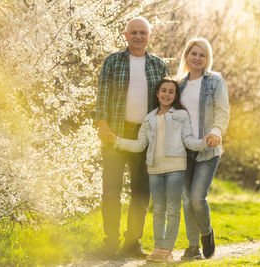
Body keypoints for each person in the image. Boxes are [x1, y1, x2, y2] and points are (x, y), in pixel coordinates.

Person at [93, 17, 169, 259]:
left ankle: (132, 242)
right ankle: (110, 242)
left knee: (141, 191)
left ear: (149, 36)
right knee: (111, 190)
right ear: (125, 35)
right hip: (114, 133)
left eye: (143, 33)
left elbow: (166, 101)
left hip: (144, 136)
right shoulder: (113, 62)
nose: (138, 36)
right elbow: (102, 96)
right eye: (134, 32)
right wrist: (102, 125)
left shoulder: (158, 66)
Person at [113, 78, 208, 262]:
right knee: (158, 209)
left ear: (175, 95)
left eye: (171, 91)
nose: (166, 94)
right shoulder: (148, 118)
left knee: (172, 209)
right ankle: (158, 248)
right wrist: (117, 141)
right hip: (154, 169)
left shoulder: (181, 115)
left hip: (176, 169)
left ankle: (167, 250)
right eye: (163, 90)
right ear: (157, 93)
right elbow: (140, 145)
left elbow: (188, 141)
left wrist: (205, 142)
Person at [176, 37, 230, 260]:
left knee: (197, 197)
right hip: (184, 149)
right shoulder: (179, 85)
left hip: (208, 148)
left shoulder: (215, 81)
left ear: (207, 59)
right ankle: (192, 247)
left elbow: (223, 110)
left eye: (202, 55)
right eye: (193, 53)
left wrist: (217, 131)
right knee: (187, 199)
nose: (197, 58)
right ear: (186, 56)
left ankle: (206, 233)